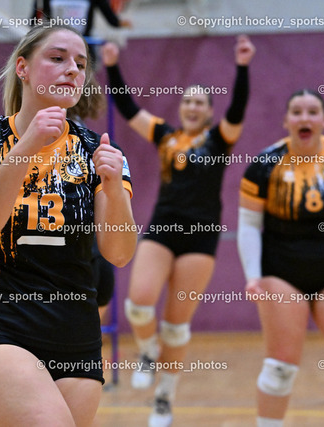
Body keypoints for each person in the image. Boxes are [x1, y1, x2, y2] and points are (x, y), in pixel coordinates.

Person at [0, 25, 137, 426]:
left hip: (76, 337)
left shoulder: (100, 152)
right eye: (57, 58)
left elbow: (119, 254)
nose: (72, 69)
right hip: (1, 328)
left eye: (81, 63)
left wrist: (114, 189)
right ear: (23, 68)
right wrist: (27, 147)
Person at [101, 35, 255, 426]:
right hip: (163, 228)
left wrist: (241, 66)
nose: (191, 106)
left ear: (208, 111)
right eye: (187, 100)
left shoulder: (219, 139)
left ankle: (163, 401)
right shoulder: (165, 136)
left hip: (201, 238)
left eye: (199, 102)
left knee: (176, 325)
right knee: (138, 303)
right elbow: (128, 107)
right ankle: (148, 350)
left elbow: (237, 108)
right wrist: (113, 64)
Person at [237, 89, 324, 427]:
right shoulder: (263, 165)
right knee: (280, 370)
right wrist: (253, 276)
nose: (304, 118)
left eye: (312, 112)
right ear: (286, 121)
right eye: (296, 112)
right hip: (281, 272)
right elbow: (249, 224)